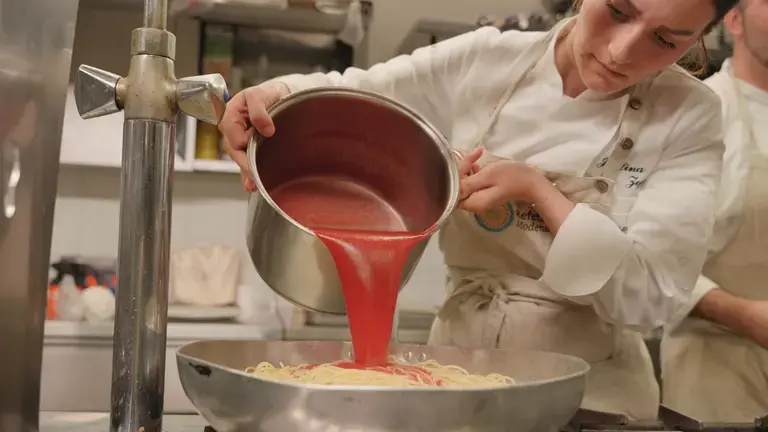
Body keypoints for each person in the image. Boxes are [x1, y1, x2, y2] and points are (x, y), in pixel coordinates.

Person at [220, 0, 738, 420]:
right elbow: (359, 91)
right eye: (618, 11)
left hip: (591, 392)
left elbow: (651, 297)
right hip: (451, 373)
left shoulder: (690, 114)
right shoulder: (487, 59)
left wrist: (539, 193)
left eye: (666, 41)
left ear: (700, 40)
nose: (621, 51)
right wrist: (274, 94)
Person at [661, 0, 768, 423]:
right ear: (734, 20)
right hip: (716, 363)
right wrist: (743, 314)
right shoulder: (695, 115)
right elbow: (645, 255)